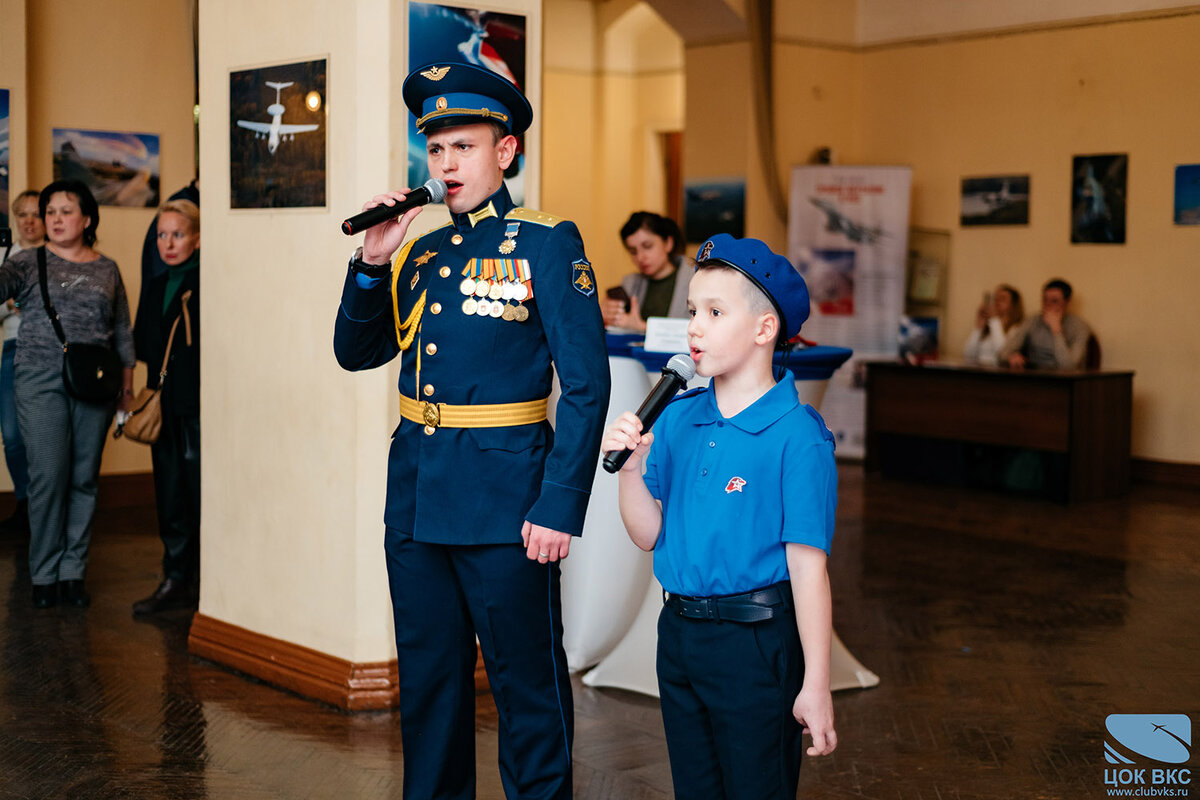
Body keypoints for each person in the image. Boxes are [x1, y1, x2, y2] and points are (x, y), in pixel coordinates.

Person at [333, 61, 610, 800]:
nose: (447, 164)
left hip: (508, 504)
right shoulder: (420, 253)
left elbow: (587, 386)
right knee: (430, 686)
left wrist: (560, 503)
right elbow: (356, 353)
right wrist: (371, 263)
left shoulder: (546, 243)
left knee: (526, 689)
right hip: (418, 501)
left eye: (464, 146)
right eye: (437, 149)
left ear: (506, 151)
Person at [602, 234, 838, 799]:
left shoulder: (797, 435)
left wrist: (817, 683)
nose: (695, 329)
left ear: (764, 329)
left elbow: (808, 571)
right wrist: (631, 472)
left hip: (754, 642)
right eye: (691, 311)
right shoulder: (677, 417)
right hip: (679, 634)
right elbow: (648, 535)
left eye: (714, 312)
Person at [0, 180, 135, 608]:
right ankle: (44, 574)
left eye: (65, 211)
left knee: (83, 477)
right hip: (39, 379)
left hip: (95, 381)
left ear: (87, 219)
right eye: (50, 212)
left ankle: (73, 571)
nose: (55, 219)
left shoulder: (107, 268)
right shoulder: (26, 262)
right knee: (48, 476)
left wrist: (127, 388)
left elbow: (121, 330)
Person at [131, 199, 201, 616]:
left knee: (199, 493)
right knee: (170, 493)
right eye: (162, 235)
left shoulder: (208, 281)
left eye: (178, 234)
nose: (168, 244)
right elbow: (144, 343)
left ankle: (207, 583)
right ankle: (175, 578)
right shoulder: (156, 283)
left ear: (197, 238)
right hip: (165, 404)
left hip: (197, 405)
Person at [0, 190, 43, 532]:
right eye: (23, 214)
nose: (29, 221)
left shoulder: (57, 256)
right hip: (14, 348)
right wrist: (9, 304)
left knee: (46, 435)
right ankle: (26, 503)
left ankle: (47, 509)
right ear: (15, 218)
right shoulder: (4, 258)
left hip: (50, 351)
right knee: (13, 435)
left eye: (36, 214)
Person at [601, 211, 692, 331]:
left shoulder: (695, 280)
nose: (640, 257)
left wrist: (642, 327)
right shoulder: (629, 284)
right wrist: (606, 314)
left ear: (668, 243)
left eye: (647, 246)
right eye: (633, 251)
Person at [998, 278, 1091, 369]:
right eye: (1045, 300)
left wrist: (1056, 331)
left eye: (1054, 301)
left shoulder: (1080, 327)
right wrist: (1010, 357)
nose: (1048, 305)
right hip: (1034, 373)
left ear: (1067, 302)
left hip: (1062, 376)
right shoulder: (1032, 321)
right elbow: (1002, 353)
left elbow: (1069, 366)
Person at [963, 283, 1024, 366]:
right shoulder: (989, 328)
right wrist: (978, 328)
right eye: (995, 298)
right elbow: (968, 355)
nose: (997, 301)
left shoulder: (1017, 328)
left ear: (1013, 304)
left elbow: (1003, 353)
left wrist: (994, 320)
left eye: (1002, 298)